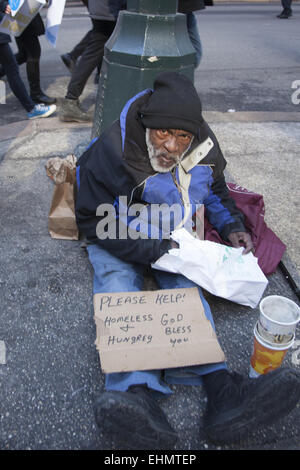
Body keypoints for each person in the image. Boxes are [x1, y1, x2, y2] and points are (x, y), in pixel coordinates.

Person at [75, 72, 300, 449]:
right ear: (147, 124)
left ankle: (222, 393)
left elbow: (213, 188)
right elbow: (93, 221)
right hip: (118, 231)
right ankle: (135, 393)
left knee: (184, 288)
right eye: (163, 133)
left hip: (172, 231)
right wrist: (153, 250)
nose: (173, 145)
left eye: (182, 137)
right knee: (118, 283)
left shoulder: (202, 144)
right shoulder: (110, 151)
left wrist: (231, 225)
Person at [59, 0, 126, 123]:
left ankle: (72, 99)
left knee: (96, 51)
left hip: (101, 9)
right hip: (110, 10)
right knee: (96, 51)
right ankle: (71, 100)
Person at [0, 2, 56, 119]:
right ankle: (32, 106)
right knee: (14, 66)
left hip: (18, 13)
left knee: (18, 60)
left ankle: (32, 105)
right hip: (19, 12)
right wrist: (3, 4)